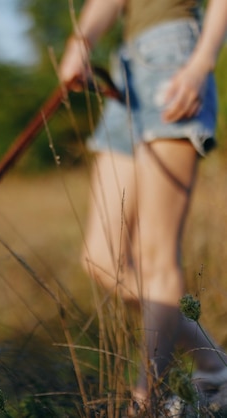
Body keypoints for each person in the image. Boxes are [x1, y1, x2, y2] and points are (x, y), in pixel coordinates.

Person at [58, 0, 227, 411]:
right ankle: (214, 363)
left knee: (156, 254)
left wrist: (201, 62)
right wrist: (81, 42)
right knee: (100, 259)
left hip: (174, 57)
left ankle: (144, 401)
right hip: (126, 70)